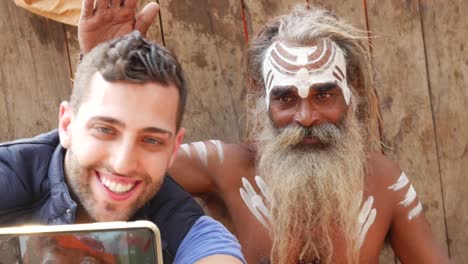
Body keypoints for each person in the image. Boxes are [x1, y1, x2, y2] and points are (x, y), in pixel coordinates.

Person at [76, 1, 449, 264]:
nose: (306, 117)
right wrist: (107, 76)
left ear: (351, 92)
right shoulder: (224, 167)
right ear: (261, 97)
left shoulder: (386, 184)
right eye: (286, 98)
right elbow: (105, 177)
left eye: (324, 94)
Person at [0, 30, 245, 264]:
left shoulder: (183, 225)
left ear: (173, 148)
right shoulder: (10, 175)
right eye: (105, 130)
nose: (123, 164)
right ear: (67, 125)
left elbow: (214, 252)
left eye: (151, 140)